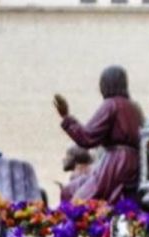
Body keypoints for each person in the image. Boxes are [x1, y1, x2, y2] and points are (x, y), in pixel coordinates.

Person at [53, 66, 143, 202]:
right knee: (75, 187)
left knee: (78, 200)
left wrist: (66, 117)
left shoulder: (111, 104)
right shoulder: (134, 109)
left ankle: (73, 222)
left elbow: (87, 138)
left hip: (115, 163)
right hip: (133, 163)